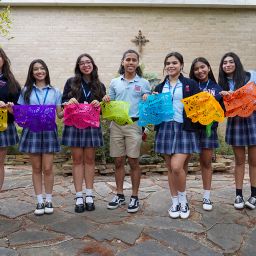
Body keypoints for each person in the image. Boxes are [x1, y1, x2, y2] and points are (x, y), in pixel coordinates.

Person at [154, 52, 201, 219]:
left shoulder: (190, 84)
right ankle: (174, 202)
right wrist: (150, 99)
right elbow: (155, 111)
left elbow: (197, 107)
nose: (170, 66)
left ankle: (183, 199)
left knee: (176, 167)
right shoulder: (159, 87)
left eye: (174, 63)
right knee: (171, 168)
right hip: (165, 129)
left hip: (184, 129)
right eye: (168, 63)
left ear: (181, 65)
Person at [103, 49, 150, 213]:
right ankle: (120, 194)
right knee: (118, 161)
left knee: (133, 161)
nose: (130, 62)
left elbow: (148, 106)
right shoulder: (115, 82)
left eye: (134, 60)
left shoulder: (143, 83)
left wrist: (147, 98)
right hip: (116, 125)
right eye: (128, 59)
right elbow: (110, 104)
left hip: (134, 125)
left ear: (137, 63)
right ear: (123, 62)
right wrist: (107, 99)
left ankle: (135, 197)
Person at [62, 53, 106, 213]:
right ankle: (79, 196)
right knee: (77, 160)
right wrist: (69, 102)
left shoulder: (99, 85)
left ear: (93, 65)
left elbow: (103, 110)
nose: (85, 65)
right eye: (82, 63)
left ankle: (89, 194)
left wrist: (99, 104)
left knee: (89, 160)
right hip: (74, 125)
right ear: (78, 67)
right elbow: (63, 103)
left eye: (88, 62)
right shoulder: (71, 82)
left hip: (91, 125)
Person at [18, 59, 63, 215]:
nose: (39, 71)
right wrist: (11, 109)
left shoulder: (55, 91)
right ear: (32, 73)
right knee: (36, 168)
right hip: (32, 131)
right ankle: (39, 201)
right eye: (36, 69)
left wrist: (71, 107)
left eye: (42, 68)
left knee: (48, 168)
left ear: (46, 71)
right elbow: (21, 114)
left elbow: (60, 114)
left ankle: (49, 199)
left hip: (49, 130)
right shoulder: (26, 91)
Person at [218, 52, 256, 210]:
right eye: (224, 63)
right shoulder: (222, 84)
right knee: (239, 161)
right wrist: (222, 98)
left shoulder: (251, 75)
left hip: (253, 119)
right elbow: (222, 109)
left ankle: (254, 195)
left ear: (236, 63)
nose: (227, 65)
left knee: (254, 161)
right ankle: (238, 194)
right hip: (235, 123)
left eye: (230, 62)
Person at [189, 57, 223, 211]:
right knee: (182, 163)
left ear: (209, 68)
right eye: (196, 69)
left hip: (209, 130)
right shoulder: (190, 85)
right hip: (190, 129)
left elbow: (222, 112)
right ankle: (181, 197)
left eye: (202, 67)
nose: (200, 71)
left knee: (206, 162)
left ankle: (207, 196)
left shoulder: (217, 88)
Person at [0, 48, 20, 191]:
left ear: (4, 59)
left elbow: (18, 109)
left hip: (4, 125)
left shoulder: (11, 82)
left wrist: (12, 108)